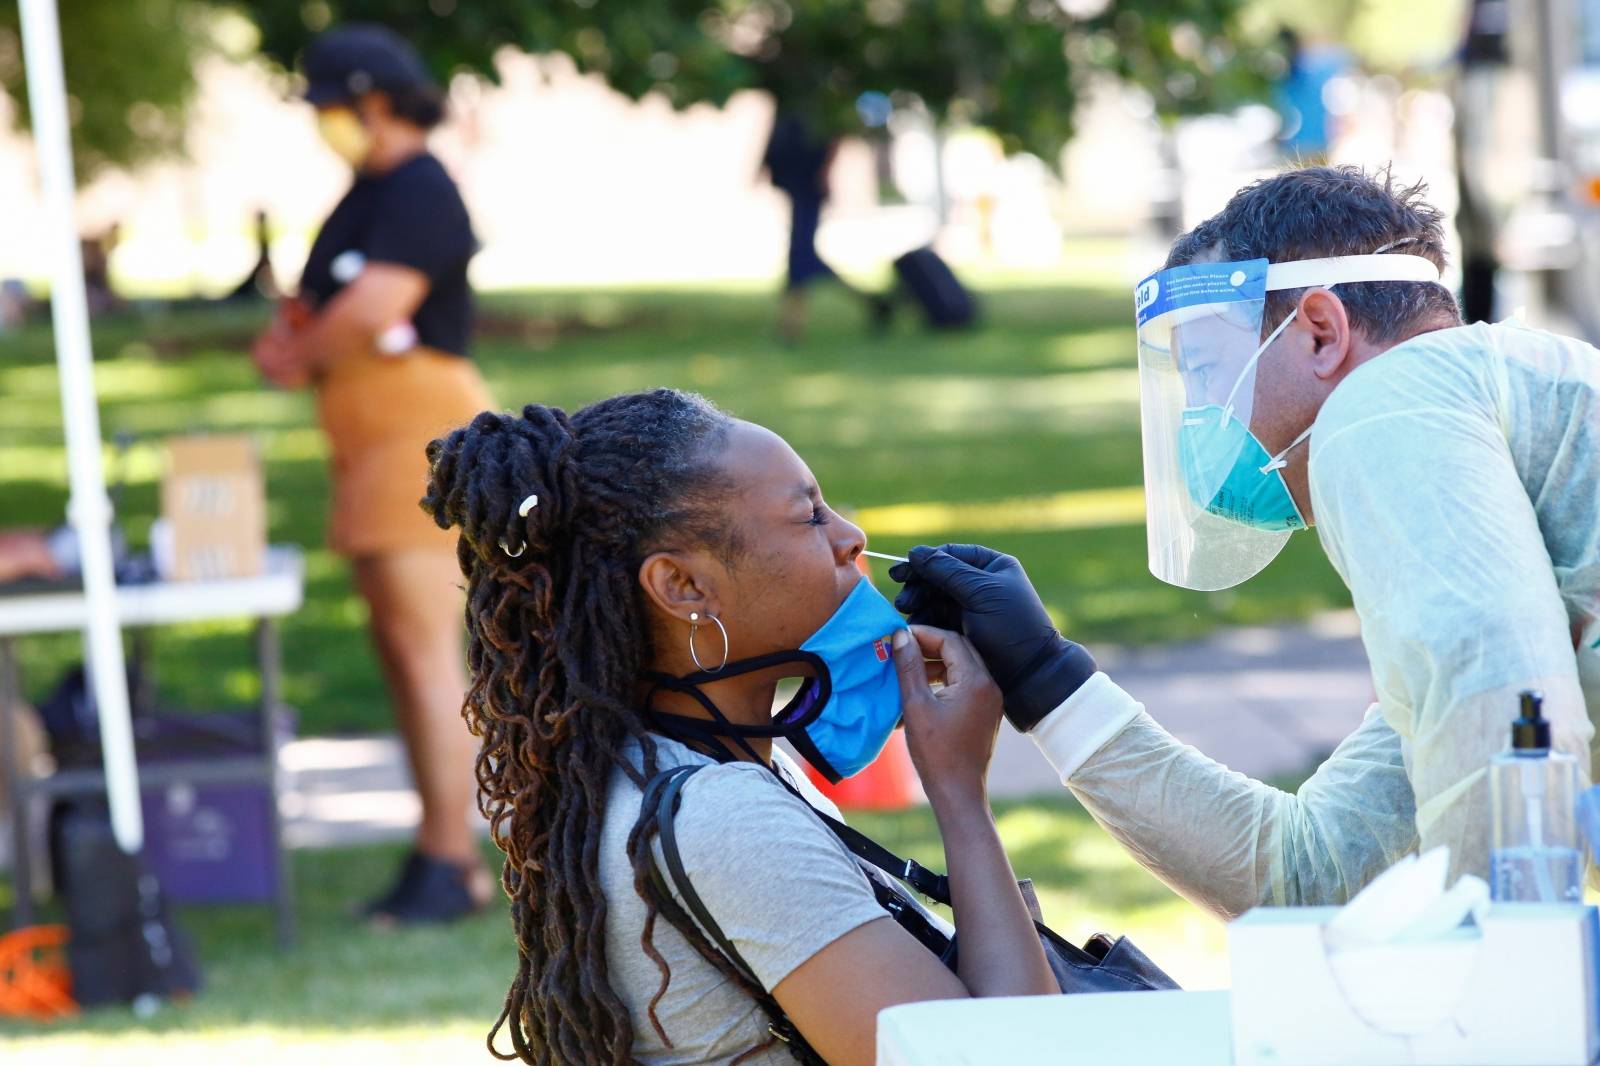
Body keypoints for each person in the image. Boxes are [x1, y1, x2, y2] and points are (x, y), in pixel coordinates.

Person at [893, 165, 1599, 918]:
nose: (1199, 412)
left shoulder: (1386, 400)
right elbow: (1315, 877)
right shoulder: (1498, 440)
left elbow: (1492, 706)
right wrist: (1048, 680)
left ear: (1321, 333)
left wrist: (1500, 989)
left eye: (1205, 370)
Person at [421, 389, 1057, 1064]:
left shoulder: (699, 771)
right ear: (684, 588)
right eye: (810, 515)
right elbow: (1007, 1055)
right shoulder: (724, 819)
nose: (852, 538)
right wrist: (958, 791)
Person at [249, 24, 493, 923]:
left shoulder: (422, 188)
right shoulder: (364, 193)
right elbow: (324, 312)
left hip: (417, 439)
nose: (327, 125)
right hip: (365, 445)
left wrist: (307, 345)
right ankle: (440, 846)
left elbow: (377, 308)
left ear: (377, 101)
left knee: (431, 654)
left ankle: (454, 859)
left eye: (333, 107)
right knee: (401, 651)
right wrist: (300, 339)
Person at [761, 110, 891, 343]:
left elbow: (832, 135)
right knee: (802, 257)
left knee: (801, 258)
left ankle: (791, 325)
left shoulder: (816, 102)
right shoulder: (793, 99)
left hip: (807, 185)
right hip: (796, 181)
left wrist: (823, 173)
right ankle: (793, 324)